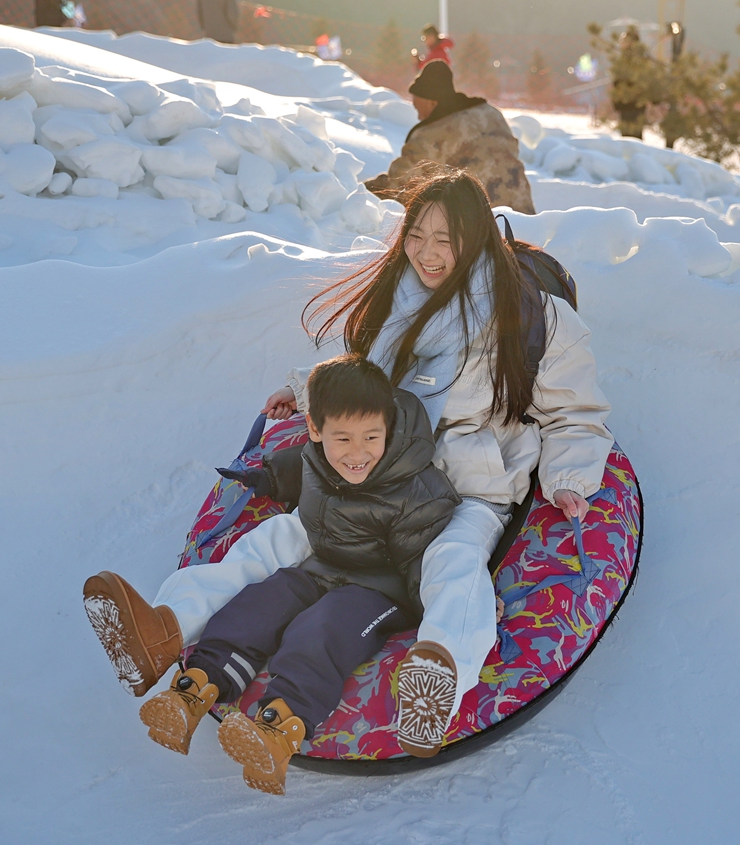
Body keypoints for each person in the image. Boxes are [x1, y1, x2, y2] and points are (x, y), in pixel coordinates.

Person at [84, 168, 612, 766]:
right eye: (417, 236)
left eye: (447, 240)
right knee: (276, 539)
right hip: (375, 469)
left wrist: (568, 479)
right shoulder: (399, 296)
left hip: (466, 488)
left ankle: (436, 680)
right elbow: (358, 373)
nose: (428, 255)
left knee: (453, 562)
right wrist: (302, 393)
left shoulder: (532, 317)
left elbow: (576, 415)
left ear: (477, 240)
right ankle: (164, 629)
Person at [87, 355, 461, 795]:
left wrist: (435, 607)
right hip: (322, 567)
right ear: (317, 433)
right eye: (342, 438)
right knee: (260, 602)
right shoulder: (318, 459)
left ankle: (280, 726)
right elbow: (297, 470)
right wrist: (264, 477)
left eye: (371, 438)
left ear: (388, 429)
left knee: (321, 628)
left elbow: (423, 558)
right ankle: (195, 689)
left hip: (378, 591)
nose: (358, 454)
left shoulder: (414, 487)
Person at [365, 60, 535, 215]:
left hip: (483, 223)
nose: (419, 118)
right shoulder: (492, 114)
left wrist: (364, 190)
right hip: (524, 215)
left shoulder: (433, 134)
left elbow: (398, 185)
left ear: (432, 102)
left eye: (418, 108)